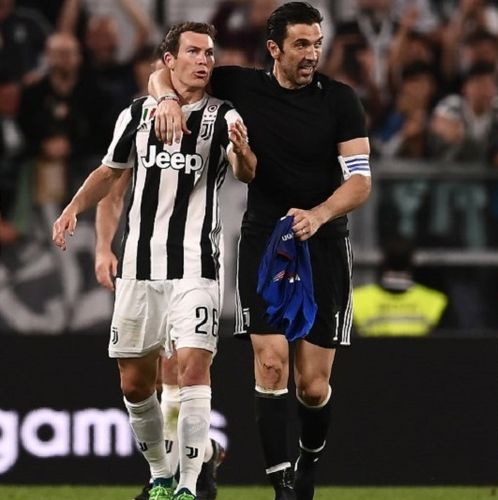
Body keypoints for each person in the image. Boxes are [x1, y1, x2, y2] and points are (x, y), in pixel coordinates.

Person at [150, 3, 371, 499]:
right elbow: (163, 72)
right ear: (274, 48)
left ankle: (308, 462)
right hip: (265, 242)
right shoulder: (242, 86)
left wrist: (318, 214)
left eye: (316, 43)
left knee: (312, 387)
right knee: (270, 365)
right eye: (301, 44)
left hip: (324, 244)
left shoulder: (340, 100)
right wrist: (164, 100)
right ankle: (282, 486)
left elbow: (360, 182)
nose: (312, 53)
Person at [53, 21, 256, 500]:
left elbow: (246, 170)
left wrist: (245, 153)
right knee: (134, 382)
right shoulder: (138, 115)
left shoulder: (224, 115)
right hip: (141, 268)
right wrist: (74, 212)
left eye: (210, 52)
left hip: (196, 265)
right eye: (194, 52)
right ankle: (165, 474)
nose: (205, 60)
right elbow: (111, 179)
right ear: (170, 61)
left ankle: (187, 487)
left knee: (189, 370)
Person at [352, 237, 447, 337]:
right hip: (419, 353)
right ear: (412, 261)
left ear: (382, 260)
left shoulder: (357, 299)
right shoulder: (435, 301)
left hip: (371, 352)